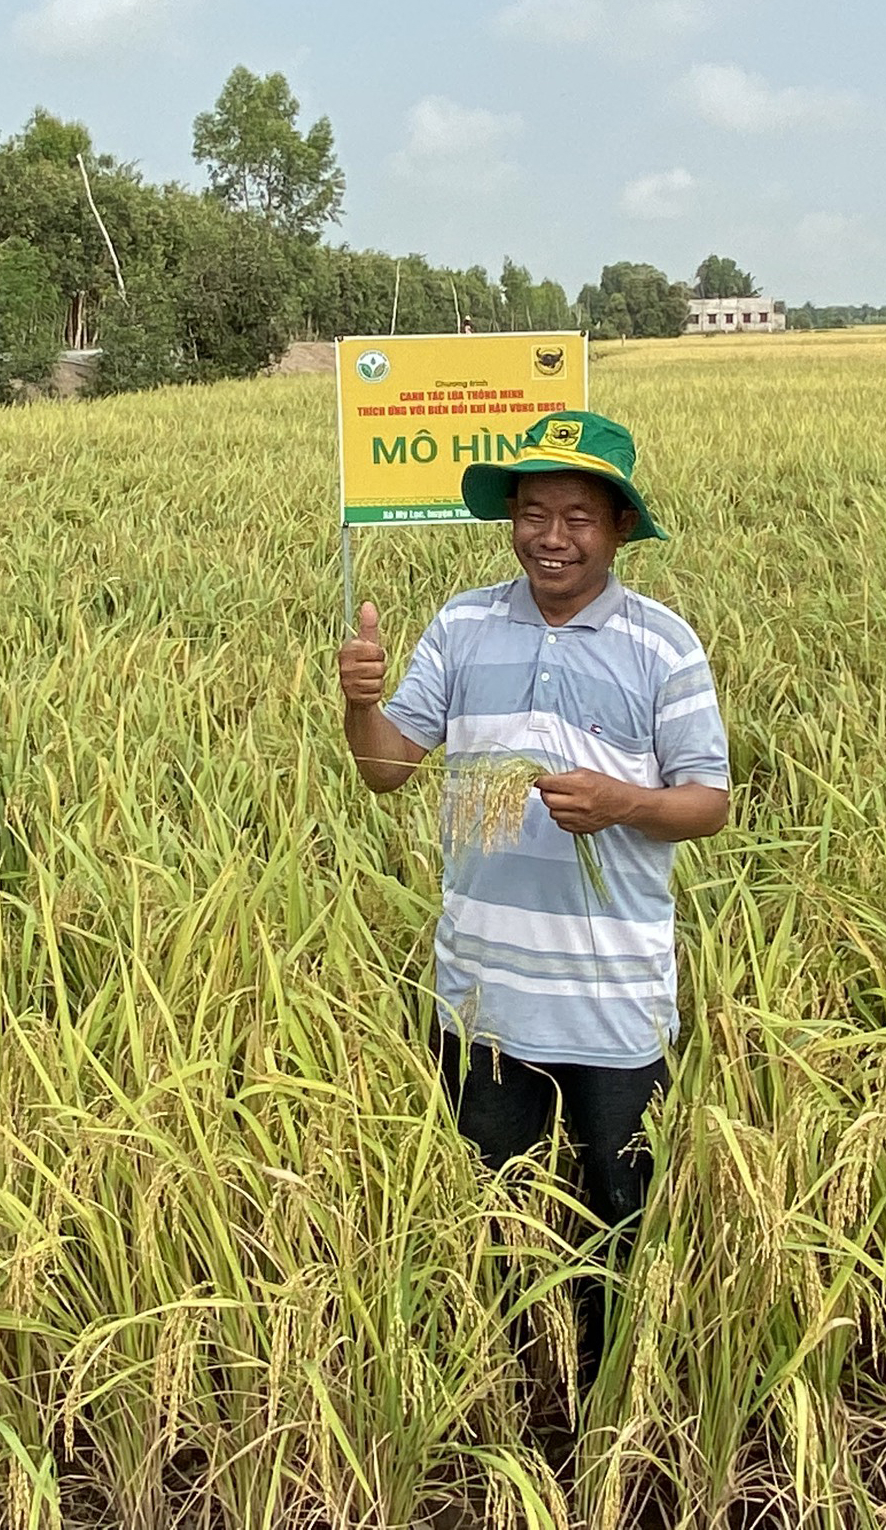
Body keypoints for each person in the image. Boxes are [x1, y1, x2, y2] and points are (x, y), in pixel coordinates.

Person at [336, 409, 730, 1378]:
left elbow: (708, 803)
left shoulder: (664, 645)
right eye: (535, 513)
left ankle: (607, 1389)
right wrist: (358, 705)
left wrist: (623, 802)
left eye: (580, 518)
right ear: (511, 518)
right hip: (485, 998)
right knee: (494, 1209)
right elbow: (388, 769)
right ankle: (513, 1378)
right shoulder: (462, 625)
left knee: (618, 1211)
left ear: (621, 529)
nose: (553, 537)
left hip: (613, 1003)